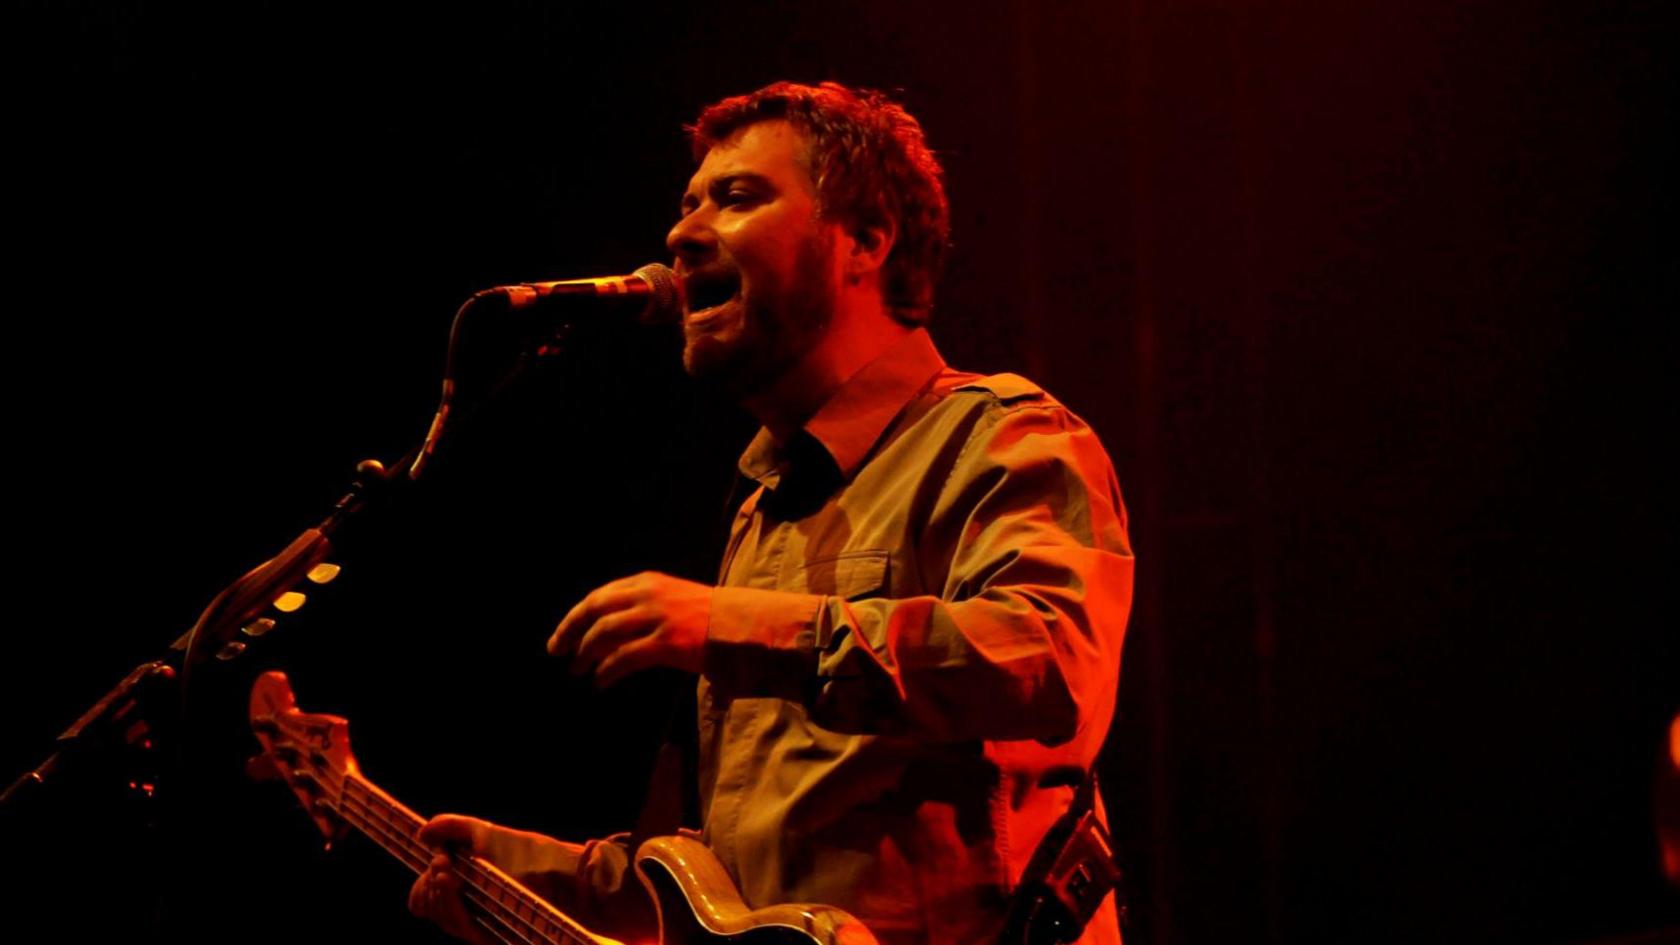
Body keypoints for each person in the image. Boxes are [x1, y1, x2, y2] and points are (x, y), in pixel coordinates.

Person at [408, 81, 1134, 945]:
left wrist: (734, 625)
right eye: (686, 204)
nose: (681, 233)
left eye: (738, 197)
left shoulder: (1001, 436)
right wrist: (534, 878)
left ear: (864, 241)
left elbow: (1049, 664)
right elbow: (735, 887)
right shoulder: (762, 509)